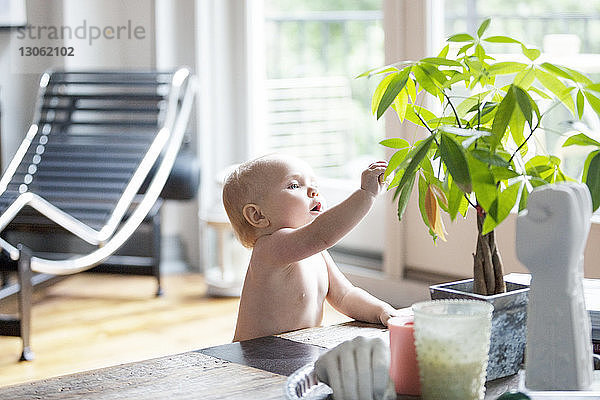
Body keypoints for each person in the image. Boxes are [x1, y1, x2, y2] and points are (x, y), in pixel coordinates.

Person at [222, 154, 402, 342]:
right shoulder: (270, 249)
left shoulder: (317, 252)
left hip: (297, 353)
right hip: (253, 360)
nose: (313, 191)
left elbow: (345, 296)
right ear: (258, 215)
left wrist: (382, 311)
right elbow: (321, 234)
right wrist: (366, 194)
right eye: (294, 185)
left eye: (314, 184)